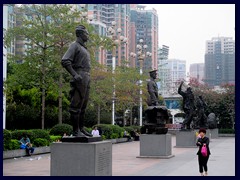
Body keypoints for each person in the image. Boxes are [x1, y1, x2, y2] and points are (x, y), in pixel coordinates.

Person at [61, 25, 92, 137]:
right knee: (76, 105)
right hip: (80, 75)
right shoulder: (74, 46)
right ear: (79, 34)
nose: (87, 35)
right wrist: (75, 74)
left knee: (83, 105)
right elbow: (65, 60)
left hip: (86, 77)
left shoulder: (83, 48)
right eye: (86, 33)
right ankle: (75, 131)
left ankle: (81, 129)